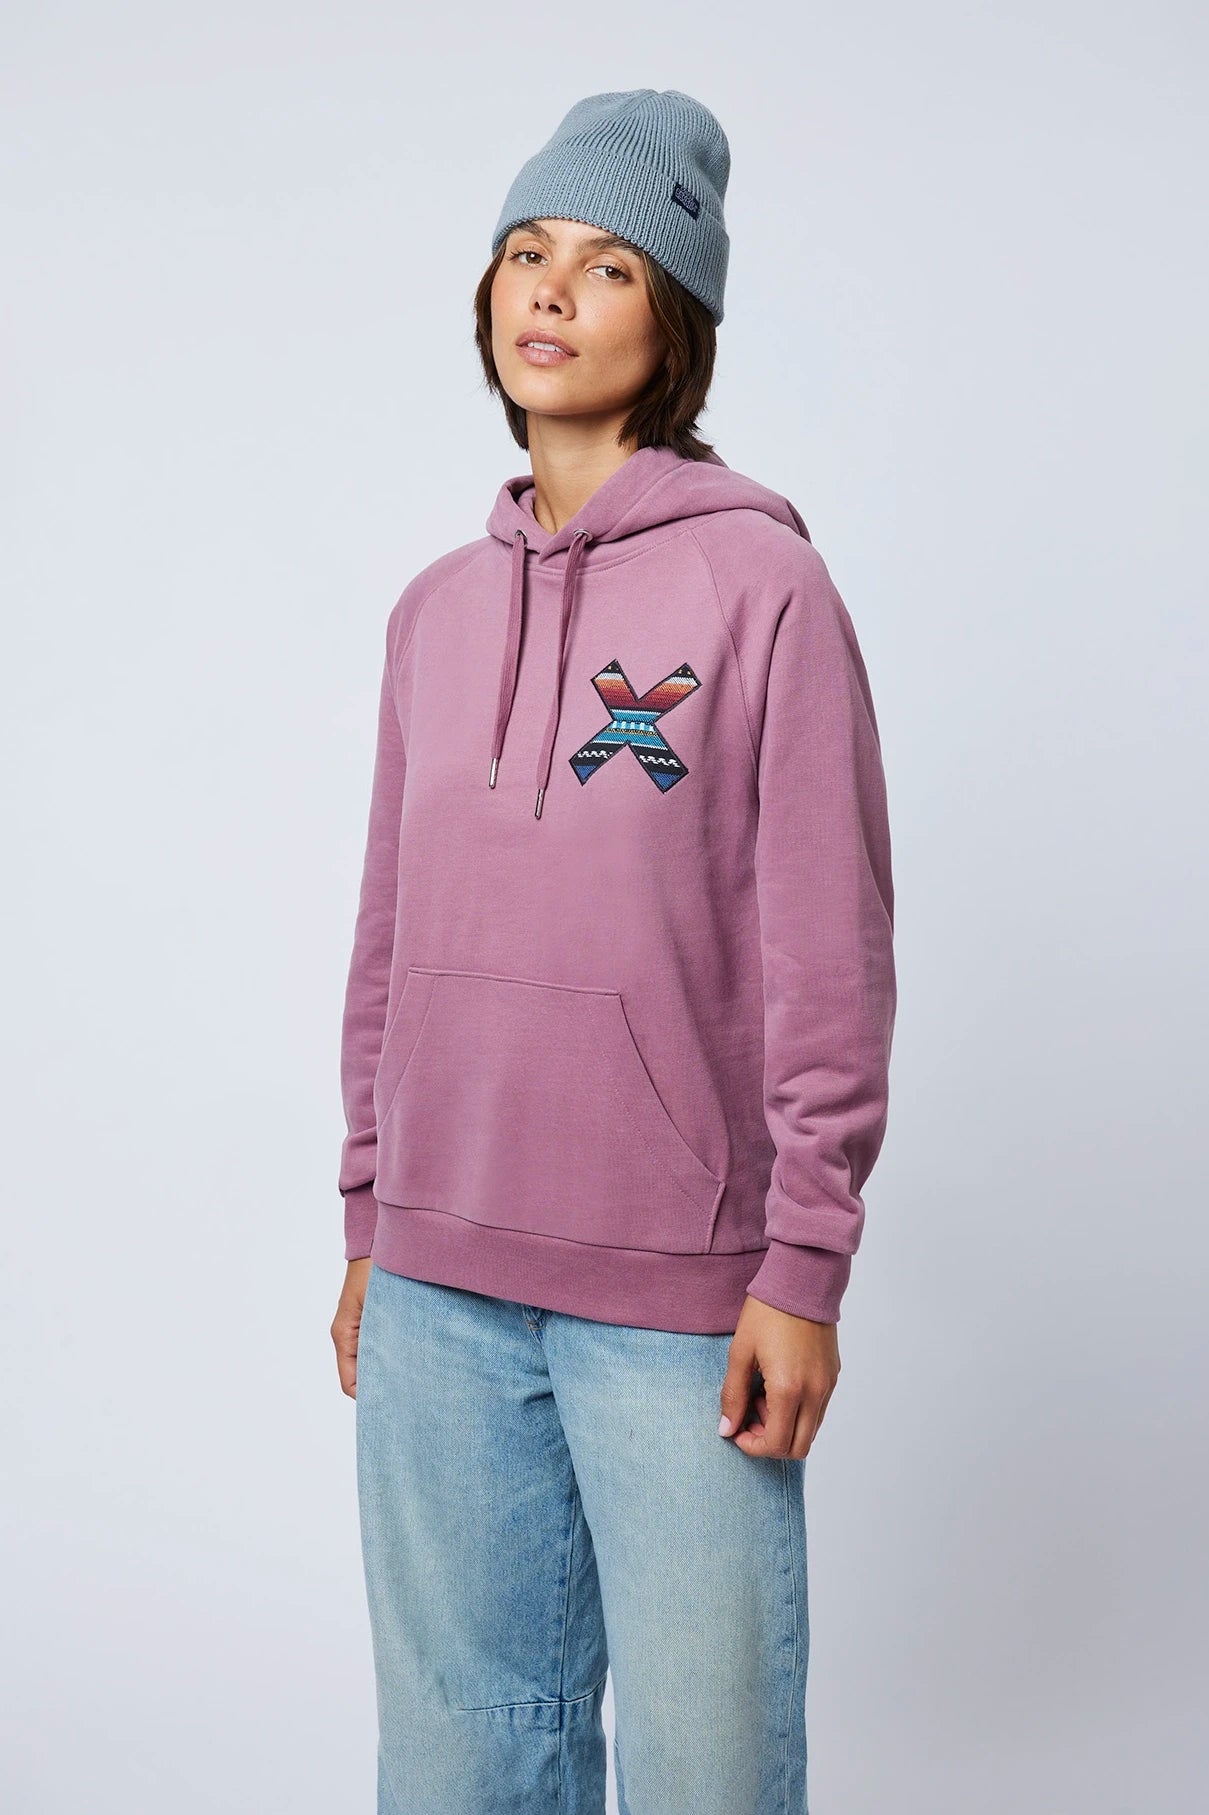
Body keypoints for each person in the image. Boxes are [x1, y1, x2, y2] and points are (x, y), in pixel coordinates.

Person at [329, 87, 896, 1815]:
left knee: (710, 1773)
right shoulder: (433, 612)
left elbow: (828, 948)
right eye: (525, 252)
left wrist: (803, 1267)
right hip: (436, 1290)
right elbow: (387, 938)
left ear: (677, 322)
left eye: (608, 264)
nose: (552, 290)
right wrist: (370, 1215)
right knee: (458, 1762)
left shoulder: (764, 591)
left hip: (679, 1300)